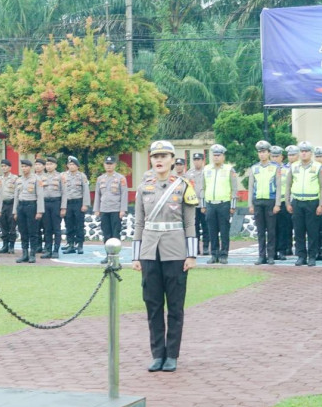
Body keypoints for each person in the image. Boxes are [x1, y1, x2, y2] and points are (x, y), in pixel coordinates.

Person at [131, 140, 199, 373]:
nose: (159, 160)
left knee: (175, 306)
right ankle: (157, 354)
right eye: (155, 156)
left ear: (172, 160)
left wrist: (191, 255)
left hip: (176, 252)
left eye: (163, 156)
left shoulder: (183, 186)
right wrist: (136, 256)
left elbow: (190, 223)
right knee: (153, 304)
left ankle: (172, 355)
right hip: (150, 252)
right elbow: (139, 223)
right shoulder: (144, 188)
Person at [285, 142, 322, 266]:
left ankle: (312, 256)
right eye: (302, 151)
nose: (303, 153)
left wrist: (321, 204)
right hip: (297, 202)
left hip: (312, 202)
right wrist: (287, 202)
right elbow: (288, 185)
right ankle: (301, 256)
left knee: (312, 231)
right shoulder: (293, 166)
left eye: (306, 151)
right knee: (298, 231)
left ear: (311, 153)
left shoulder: (318, 166)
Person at [201, 144, 239, 264]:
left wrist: (233, 205)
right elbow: (203, 188)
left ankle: (224, 255)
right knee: (212, 231)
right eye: (214, 155)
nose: (216, 157)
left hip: (224, 204)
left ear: (223, 156)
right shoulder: (206, 169)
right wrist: (203, 204)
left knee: (224, 231)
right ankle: (214, 254)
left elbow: (234, 189)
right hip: (210, 204)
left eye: (219, 155)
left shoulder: (229, 169)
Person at [246, 141, 281, 264]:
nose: (262, 154)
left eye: (264, 152)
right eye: (260, 152)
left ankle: (271, 255)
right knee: (260, 231)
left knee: (271, 230)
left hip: (270, 201)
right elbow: (251, 187)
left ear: (269, 153)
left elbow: (278, 186)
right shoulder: (254, 168)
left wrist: (277, 204)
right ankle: (261, 256)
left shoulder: (275, 167)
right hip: (258, 202)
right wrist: (250, 204)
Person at [94, 156, 130, 259]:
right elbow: (97, 195)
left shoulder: (120, 178)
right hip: (104, 209)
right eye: (107, 164)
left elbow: (124, 194)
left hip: (116, 209)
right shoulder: (100, 179)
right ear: (104, 165)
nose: (109, 166)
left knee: (115, 233)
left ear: (115, 165)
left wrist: (123, 209)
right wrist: (96, 209)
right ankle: (108, 255)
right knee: (106, 233)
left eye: (111, 164)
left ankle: (115, 256)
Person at [60, 156, 90, 254]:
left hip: (78, 203)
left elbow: (86, 191)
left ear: (77, 166)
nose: (71, 166)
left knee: (79, 225)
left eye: (73, 164)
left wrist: (85, 204)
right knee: (69, 225)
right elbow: (61, 191)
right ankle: (70, 245)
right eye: (70, 164)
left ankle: (80, 245)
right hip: (67, 203)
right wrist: (62, 206)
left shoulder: (82, 176)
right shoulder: (63, 176)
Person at [14, 159, 41, 263]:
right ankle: (24, 254)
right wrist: (15, 211)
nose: (24, 168)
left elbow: (40, 196)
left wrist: (39, 211)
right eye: (22, 166)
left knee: (32, 231)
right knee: (23, 231)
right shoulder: (19, 180)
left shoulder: (36, 179)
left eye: (26, 166)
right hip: (21, 206)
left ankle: (32, 254)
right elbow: (16, 196)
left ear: (30, 167)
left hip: (31, 206)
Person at [38, 157, 64, 258]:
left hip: (56, 203)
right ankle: (48, 250)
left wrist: (63, 207)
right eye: (47, 164)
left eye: (51, 164)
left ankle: (56, 250)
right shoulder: (41, 177)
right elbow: (39, 193)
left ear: (55, 165)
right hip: (45, 203)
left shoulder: (60, 176)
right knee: (47, 228)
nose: (48, 166)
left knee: (56, 228)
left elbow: (64, 193)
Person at [0, 159, 18, 254]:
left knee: (12, 225)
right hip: (2, 204)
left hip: (11, 203)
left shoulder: (15, 178)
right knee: (3, 225)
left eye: (5, 166)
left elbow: (17, 193)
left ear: (10, 168)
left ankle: (11, 246)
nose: (3, 168)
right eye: (2, 166)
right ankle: (5, 245)